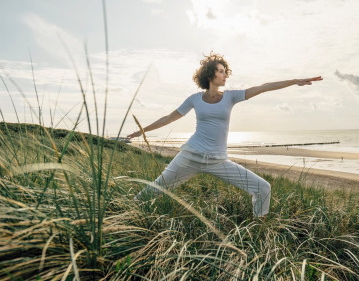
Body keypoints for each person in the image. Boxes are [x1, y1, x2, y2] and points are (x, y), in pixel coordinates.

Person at [127, 52, 322, 218]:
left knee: (263, 188)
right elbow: (169, 117)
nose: (225, 75)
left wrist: (294, 81)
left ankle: (259, 229)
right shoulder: (194, 99)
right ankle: (127, 212)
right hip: (190, 156)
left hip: (218, 161)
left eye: (225, 72)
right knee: (154, 189)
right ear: (210, 74)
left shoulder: (231, 96)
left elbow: (263, 87)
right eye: (221, 71)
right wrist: (139, 132)